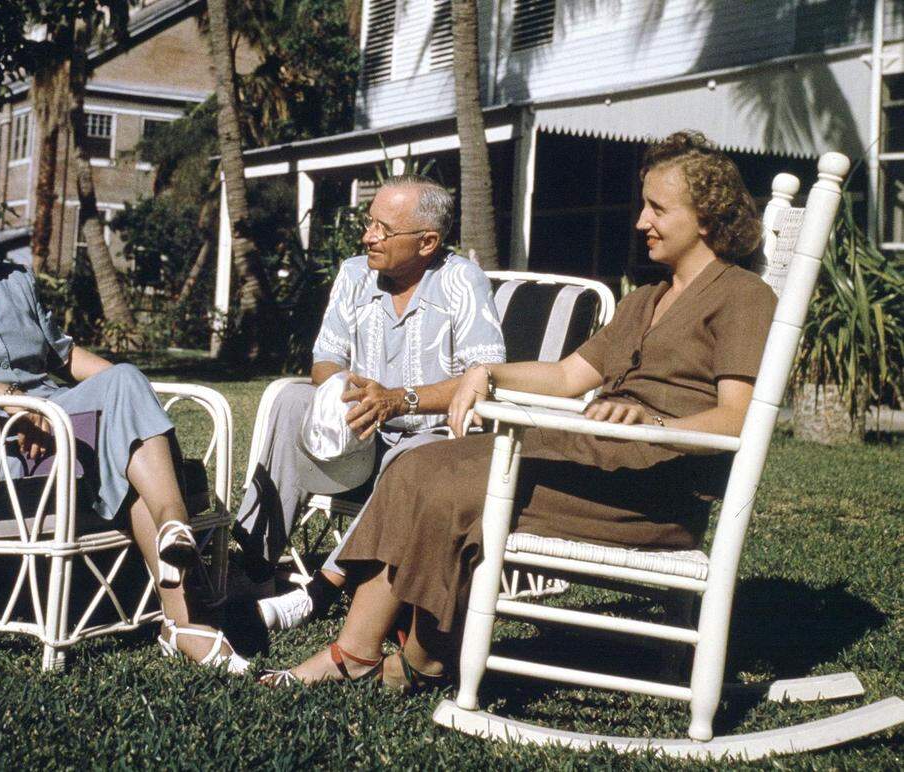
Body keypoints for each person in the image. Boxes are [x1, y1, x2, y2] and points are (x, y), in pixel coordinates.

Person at [265, 130, 777, 687]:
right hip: (593, 462)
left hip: (650, 488)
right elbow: (565, 375)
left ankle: (421, 654)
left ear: (705, 218)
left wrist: (654, 424)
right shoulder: (646, 300)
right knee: (418, 468)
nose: (640, 222)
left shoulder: (744, 296)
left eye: (657, 209)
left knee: (447, 483)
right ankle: (365, 651)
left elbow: (740, 417)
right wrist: (485, 373)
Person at [0, 149, 246, 673]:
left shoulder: (11, 280)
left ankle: (177, 565)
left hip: (58, 424)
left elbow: (64, 357)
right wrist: (11, 400)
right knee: (125, 438)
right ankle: (184, 606)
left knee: (125, 391)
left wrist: (128, 394)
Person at [234, 174, 505, 631]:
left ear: (427, 242)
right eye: (369, 223)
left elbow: (484, 377)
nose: (368, 236)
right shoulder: (355, 273)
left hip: (429, 440)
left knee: (416, 456)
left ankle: (320, 591)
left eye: (383, 228)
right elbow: (325, 358)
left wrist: (400, 402)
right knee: (289, 401)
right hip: (359, 436)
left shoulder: (462, 280)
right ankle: (254, 564)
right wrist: (348, 393)